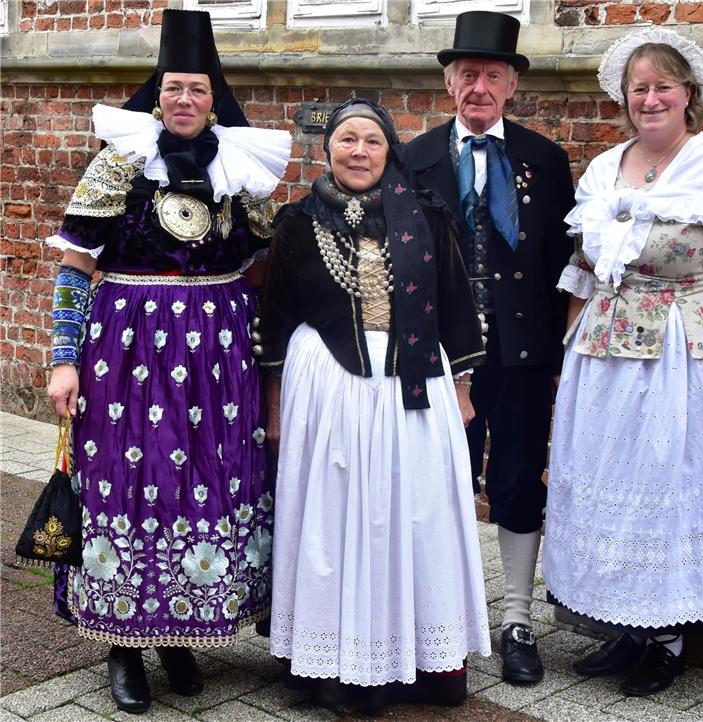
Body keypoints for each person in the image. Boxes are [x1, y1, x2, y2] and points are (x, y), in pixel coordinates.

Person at [45, 9, 290, 714]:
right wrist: (65, 361)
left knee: (201, 486)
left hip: (217, 357)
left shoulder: (237, 168)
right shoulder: (119, 161)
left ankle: (178, 631)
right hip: (127, 352)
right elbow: (72, 267)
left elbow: (260, 265)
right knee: (129, 480)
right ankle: (123, 646)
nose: (186, 101)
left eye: (199, 90)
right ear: (159, 94)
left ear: (216, 100)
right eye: (175, 88)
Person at [542, 27, 703, 697]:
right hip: (603, 355)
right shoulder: (604, 170)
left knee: (665, 489)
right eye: (639, 89)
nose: (650, 99)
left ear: (689, 94)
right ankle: (629, 627)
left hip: (682, 354)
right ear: (625, 99)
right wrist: (568, 361)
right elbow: (583, 272)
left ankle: (669, 637)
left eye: (662, 87)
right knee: (613, 488)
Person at [260, 99, 491, 712]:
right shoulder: (296, 223)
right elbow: (275, 320)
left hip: (413, 386)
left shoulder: (427, 219)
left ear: (390, 151)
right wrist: (276, 407)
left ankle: (420, 657)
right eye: (346, 140)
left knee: (413, 514)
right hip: (328, 389)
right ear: (327, 149)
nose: (358, 152)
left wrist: (463, 391)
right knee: (334, 521)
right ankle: (334, 660)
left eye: (372, 141)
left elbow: (459, 306)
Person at [403, 11, 575, 685]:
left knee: (515, 481)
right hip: (443, 359)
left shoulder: (544, 158)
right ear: (450, 84)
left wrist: (560, 355)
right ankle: (443, 620)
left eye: (492, 76)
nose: (479, 86)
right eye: (467, 74)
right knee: (442, 485)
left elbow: (564, 263)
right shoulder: (413, 158)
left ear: (511, 87)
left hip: (524, 354)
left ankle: (517, 619)